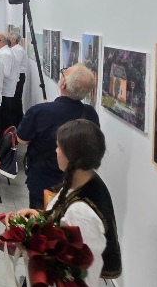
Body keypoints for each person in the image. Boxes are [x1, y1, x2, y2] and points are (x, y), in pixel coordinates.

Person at [6, 120, 121, 287]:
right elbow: (62, 226)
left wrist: (25, 240)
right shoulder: (86, 181)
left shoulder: (82, 213)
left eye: (59, 147)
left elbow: (71, 268)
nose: (56, 151)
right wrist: (38, 216)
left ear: (71, 157)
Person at [17, 63, 99, 208]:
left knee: (39, 218)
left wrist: (44, 110)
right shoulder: (90, 114)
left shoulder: (39, 111)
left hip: (43, 179)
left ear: (63, 84)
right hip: (75, 183)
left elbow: (21, 139)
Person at [0, 32, 18, 129]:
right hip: (5, 88)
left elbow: (5, 73)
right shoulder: (3, 52)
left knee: (5, 116)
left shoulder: (5, 54)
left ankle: (8, 135)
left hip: (5, 89)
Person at [10, 32, 27, 125]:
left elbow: (15, 64)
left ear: (13, 40)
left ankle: (18, 121)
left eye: (9, 38)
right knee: (13, 99)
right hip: (15, 76)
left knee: (16, 98)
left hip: (19, 76)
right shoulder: (12, 49)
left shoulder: (18, 50)